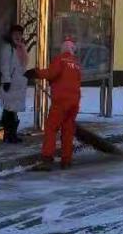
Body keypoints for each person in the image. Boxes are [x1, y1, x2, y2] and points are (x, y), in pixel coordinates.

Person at [27, 37, 82, 170]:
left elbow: (51, 74)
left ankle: (47, 158)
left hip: (61, 102)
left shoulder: (60, 60)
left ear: (62, 49)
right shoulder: (76, 63)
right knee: (68, 130)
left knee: (51, 128)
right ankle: (66, 160)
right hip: (74, 102)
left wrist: (35, 73)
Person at [0, 23, 28, 143]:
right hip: (11, 83)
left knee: (13, 110)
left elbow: (23, 64)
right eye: (15, 34)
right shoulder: (7, 47)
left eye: (20, 34)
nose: (18, 36)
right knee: (8, 109)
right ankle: (8, 134)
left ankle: (12, 134)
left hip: (19, 84)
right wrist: (6, 80)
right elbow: (4, 65)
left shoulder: (20, 47)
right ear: (11, 35)